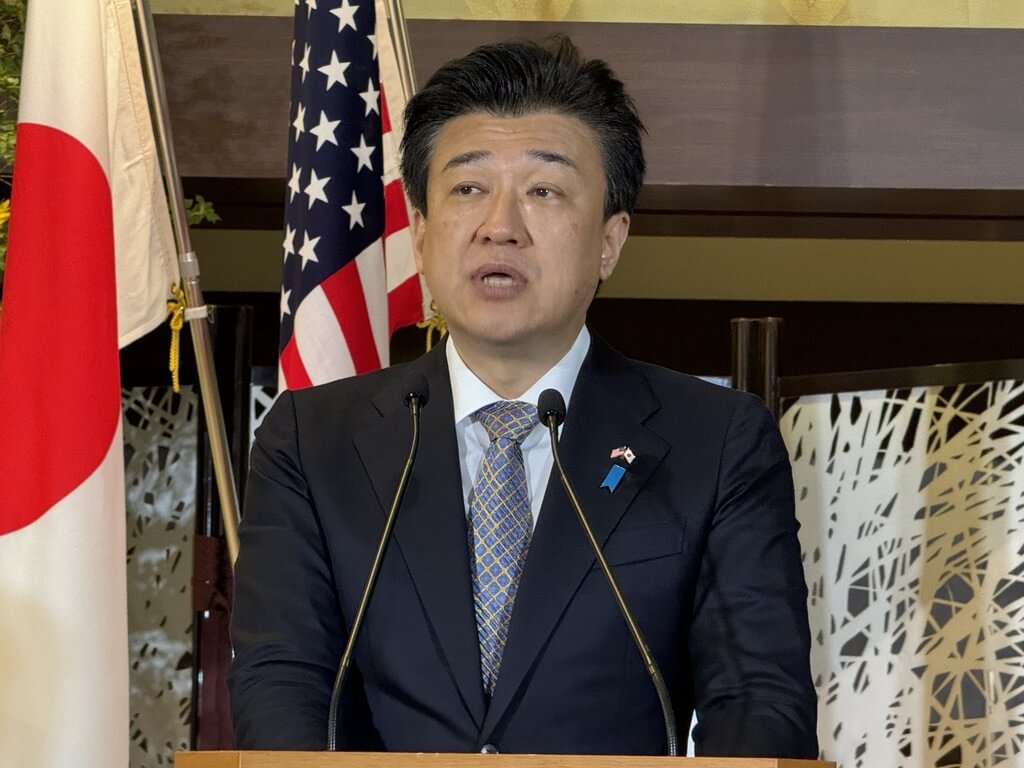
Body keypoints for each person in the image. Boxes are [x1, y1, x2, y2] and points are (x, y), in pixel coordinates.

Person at [228, 36, 818, 757]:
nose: (499, 226)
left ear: (610, 240)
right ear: (420, 234)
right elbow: (281, 681)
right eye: (467, 189)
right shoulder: (312, 441)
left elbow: (758, 698)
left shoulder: (715, 442)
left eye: (544, 191)